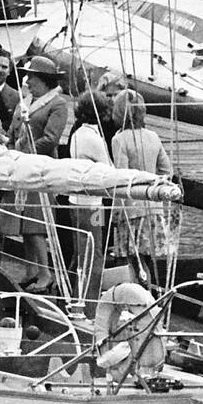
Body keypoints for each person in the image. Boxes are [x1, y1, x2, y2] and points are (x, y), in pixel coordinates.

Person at [7, 55, 70, 293]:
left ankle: (45, 273)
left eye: (32, 77)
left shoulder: (57, 104)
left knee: (35, 224)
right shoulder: (26, 102)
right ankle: (31, 270)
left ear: (44, 81)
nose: (27, 81)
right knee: (24, 224)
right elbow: (14, 129)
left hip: (41, 167)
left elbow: (51, 138)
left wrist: (24, 148)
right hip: (21, 166)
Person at [110, 89, 174, 291]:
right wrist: (153, 184)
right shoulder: (153, 136)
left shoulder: (120, 139)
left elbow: (121, 177)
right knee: (147, 257)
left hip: (131, 209)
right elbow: (167, 170)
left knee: (134, 260)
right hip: (153, 207)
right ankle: (151, 292)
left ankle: (143, 294)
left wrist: (115, 211)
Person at [67, 91, 112, 303]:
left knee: (79, 254)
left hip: (75, 202)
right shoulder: (94, 139)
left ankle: (73, 296)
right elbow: (109, 170)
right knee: (94, 255)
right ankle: (89, 304)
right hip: (93, 206)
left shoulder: (77, 134)